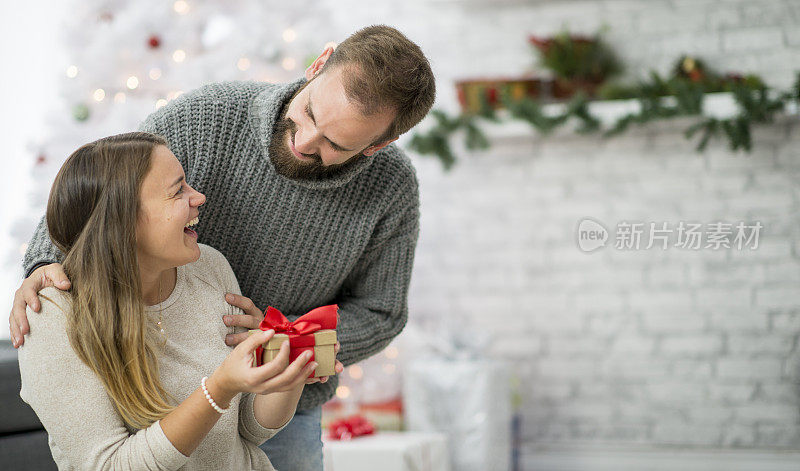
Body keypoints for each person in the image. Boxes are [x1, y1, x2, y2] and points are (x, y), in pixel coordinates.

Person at [10, 24, 435, 471]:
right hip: (162, 380)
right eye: (310, 113)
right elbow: (106, 194)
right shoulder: (206, 117)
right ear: (319, 63)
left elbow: (382, 311)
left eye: (335, 143)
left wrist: (283, 339)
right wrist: (45, 267)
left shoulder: (391, 188)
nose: (305, 141)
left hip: (279, 400)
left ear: (378, 144)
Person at [17, 132, 343, 470]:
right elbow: (109, 466)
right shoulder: (50, 314)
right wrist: (219, 388)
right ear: (123, 223)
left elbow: (247, 429)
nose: (199, 197)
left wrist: (286, 375)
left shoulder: (209, 266)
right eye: (178, 191)